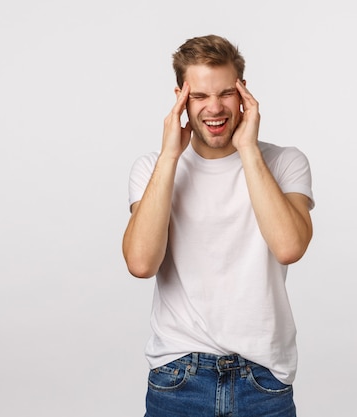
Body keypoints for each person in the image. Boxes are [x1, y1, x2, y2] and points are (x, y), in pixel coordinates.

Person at [122, 34, 314, 417]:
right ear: (180, 97)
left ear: (244, 94)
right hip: (179, 377)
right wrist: (170, 156)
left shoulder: (285, 162)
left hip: (263, 380)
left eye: (226, 93)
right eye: (199, 96)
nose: (214, 107)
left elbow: (289, 246)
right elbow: (141, 264)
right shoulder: (154, 168)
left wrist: (247, 149)